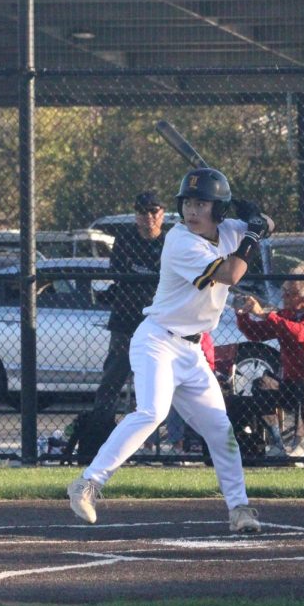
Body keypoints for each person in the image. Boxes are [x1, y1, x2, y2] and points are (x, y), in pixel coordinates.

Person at [67, 167, 273, 534]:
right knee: (152, 411)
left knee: (220, 429)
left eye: (202, 204)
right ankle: (88, 483)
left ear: (218, 210)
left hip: (192, 352)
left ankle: (239, 508)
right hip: (158, 341)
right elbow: (230, 273)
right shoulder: (180, 241)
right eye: (189, 203)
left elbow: (269, 224)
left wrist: (252, 213)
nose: (193, 211)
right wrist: (252, 231)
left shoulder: (227, 230)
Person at [72, 191, 167, 463]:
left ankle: (151, 445)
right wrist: (145, 278)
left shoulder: (170, 241)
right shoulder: (125, 239)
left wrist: (144, 278)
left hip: (157, 324)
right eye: (141, 211)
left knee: (153, 386)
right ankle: (99, 442)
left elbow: (166, 280)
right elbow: (122, 275)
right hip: (126, 322)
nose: (148, 217)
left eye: (153, 210)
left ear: (161, 212)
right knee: (112, 381)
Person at [235, 264, 304, 459]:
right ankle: (276, 443)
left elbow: (302, 333)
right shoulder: (287, 315)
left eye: (288, 293)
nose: (283, 297)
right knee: (264, 384)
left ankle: (298, 445)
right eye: (283, 291)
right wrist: (243, 314)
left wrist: (265, 314)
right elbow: (255, 334)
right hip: (293, 384)